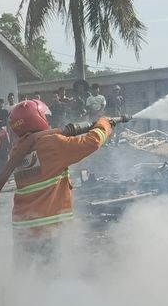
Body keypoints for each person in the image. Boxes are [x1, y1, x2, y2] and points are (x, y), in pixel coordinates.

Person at [7, 99, 112, 260]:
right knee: (53, 276)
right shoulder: (51, 143)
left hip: (23, 230)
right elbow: (91, 142)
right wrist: (104, 124)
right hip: (50, 229)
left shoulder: (16, 151)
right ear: (39, 118)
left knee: (30, 275)